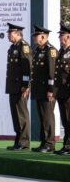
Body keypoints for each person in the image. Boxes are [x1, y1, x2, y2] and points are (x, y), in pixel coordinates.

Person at [31, 24, 58, 153]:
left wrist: (51, 90)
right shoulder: (38, 50)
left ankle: (50, 144)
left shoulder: (50, 50)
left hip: (47, 91)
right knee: (42, 117)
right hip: (39, 89)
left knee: (48, 117)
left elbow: (52, 73)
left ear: (43, 36)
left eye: (36, 36)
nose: (34, 38)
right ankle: (44, 142)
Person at [5, 23, 32, 150]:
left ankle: (24, 142)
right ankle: (18, 140)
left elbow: (27, 68)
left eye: (10, 33)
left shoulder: (24, 46)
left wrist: (25, 85)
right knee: (15, 115)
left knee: (22, 114)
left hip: (21, 87)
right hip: (13, 86)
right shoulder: (12, 47)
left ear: (17, 34)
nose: (8, 35)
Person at [53, 22, 70, 155]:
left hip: (68, 92)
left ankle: (68, 146)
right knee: (65, 120)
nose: (59, 38)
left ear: (68, 37)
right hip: (61, 92)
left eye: (62, 36)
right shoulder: (61, 51)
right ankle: (66, 145)